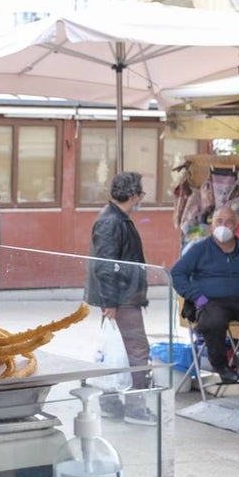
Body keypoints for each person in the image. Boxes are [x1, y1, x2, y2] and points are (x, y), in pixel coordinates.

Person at [170, 205, 239, 385]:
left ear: (237, 226)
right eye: (219, 222)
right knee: (213, 321)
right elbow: (176, 274)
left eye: (229, 222)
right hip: (211, 303)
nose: (224, 226)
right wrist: (196, 297)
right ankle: (221, 366)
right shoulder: (199, 249)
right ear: (212, 226)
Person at [85, 171, 155, 426]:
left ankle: (111, 403)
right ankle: (136, 408)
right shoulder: (111, 222)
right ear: (134, 194)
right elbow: (105, 265)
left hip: (121, 297)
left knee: (120, 351)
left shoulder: (116, 219)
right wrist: (111, 303)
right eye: (141, 195)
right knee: (136, 351)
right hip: (122, 299)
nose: (140, 200)